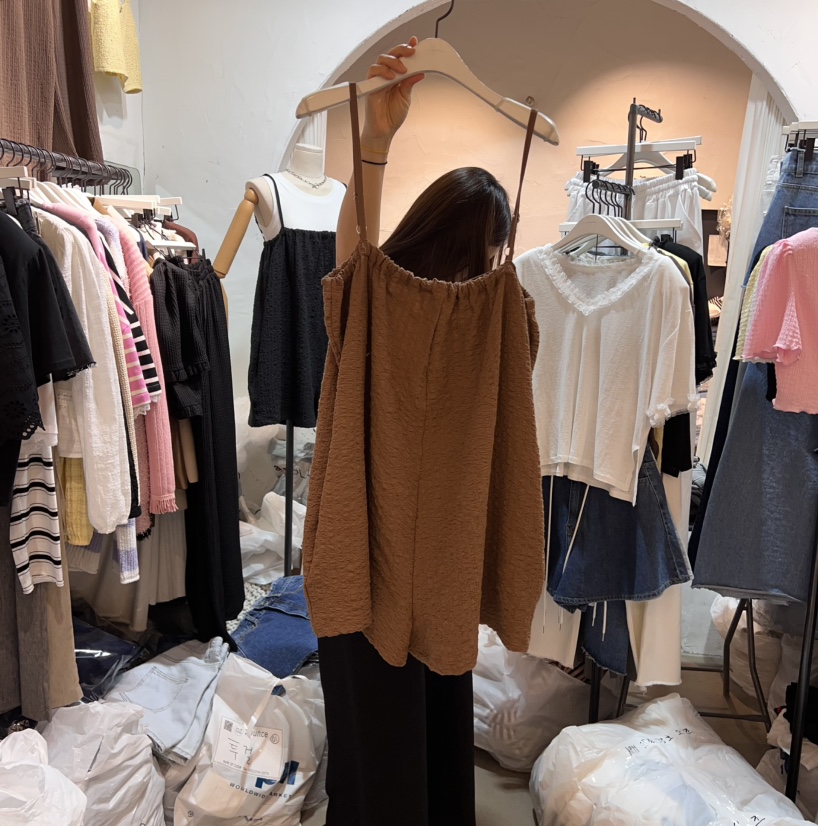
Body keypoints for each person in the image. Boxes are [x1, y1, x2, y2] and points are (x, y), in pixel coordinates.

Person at [311, 38, 545, 826]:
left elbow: (354, 249)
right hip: (421, 561)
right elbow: (355, 252)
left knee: (393, 738)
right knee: (416, 736)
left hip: (388, 559)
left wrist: (377, 140)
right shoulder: (388, 299)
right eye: (488, 244)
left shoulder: (468, 310)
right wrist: (375, 139)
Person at [335, 36, 513, 281]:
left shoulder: (487, 300)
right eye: (465, 266)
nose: (468, 281)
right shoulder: (382, 288)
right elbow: (353, 274)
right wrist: (375, 139)